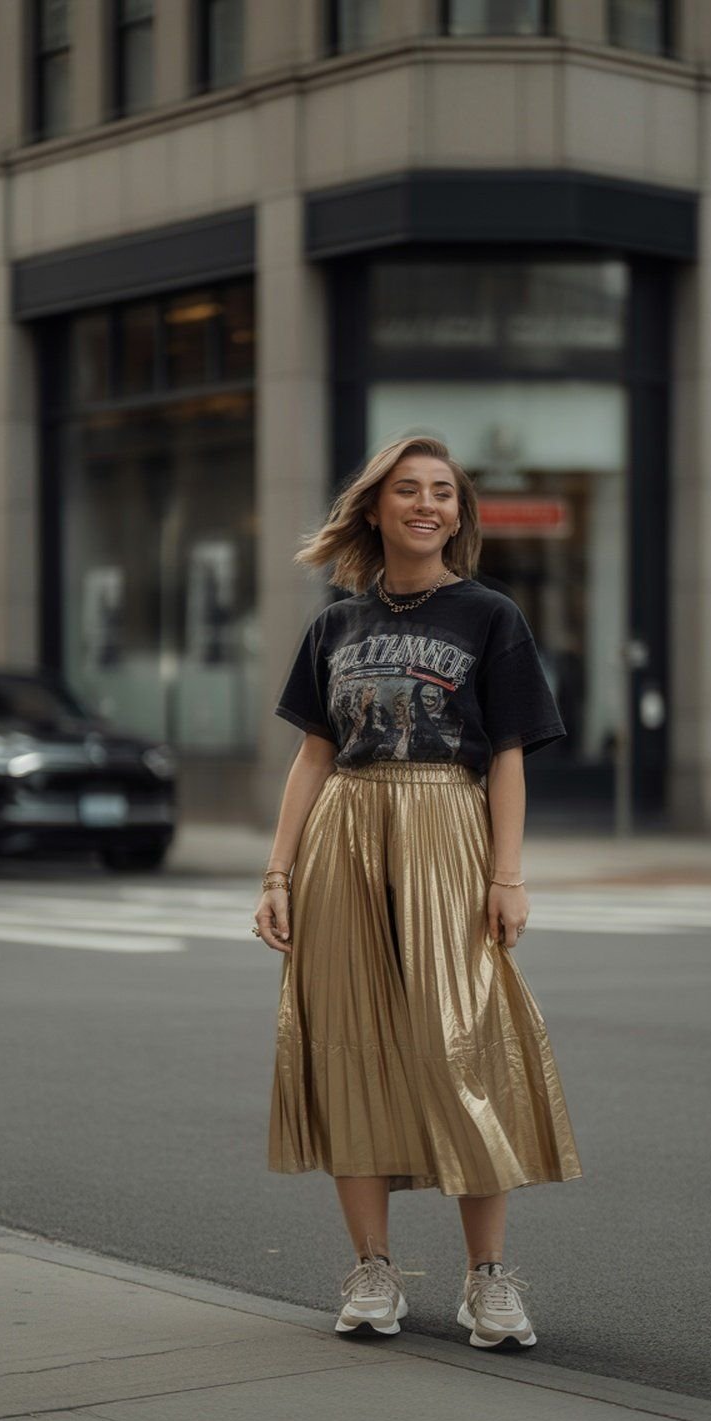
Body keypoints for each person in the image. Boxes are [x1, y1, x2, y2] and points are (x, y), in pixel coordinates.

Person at [253, 434, 582, 1351]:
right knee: (349, 1042)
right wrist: (277, 874)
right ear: (376, 509)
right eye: (409, 490)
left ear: (459, 513)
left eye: (443, 491)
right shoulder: (335, 626)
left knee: (463, 1045)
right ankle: (372, 1270)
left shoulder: (488, 615)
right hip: (344, 838)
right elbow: (313, 756)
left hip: (447, 827)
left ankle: (488, 1279)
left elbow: (509, 753)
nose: (427, 503)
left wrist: (505, 876)